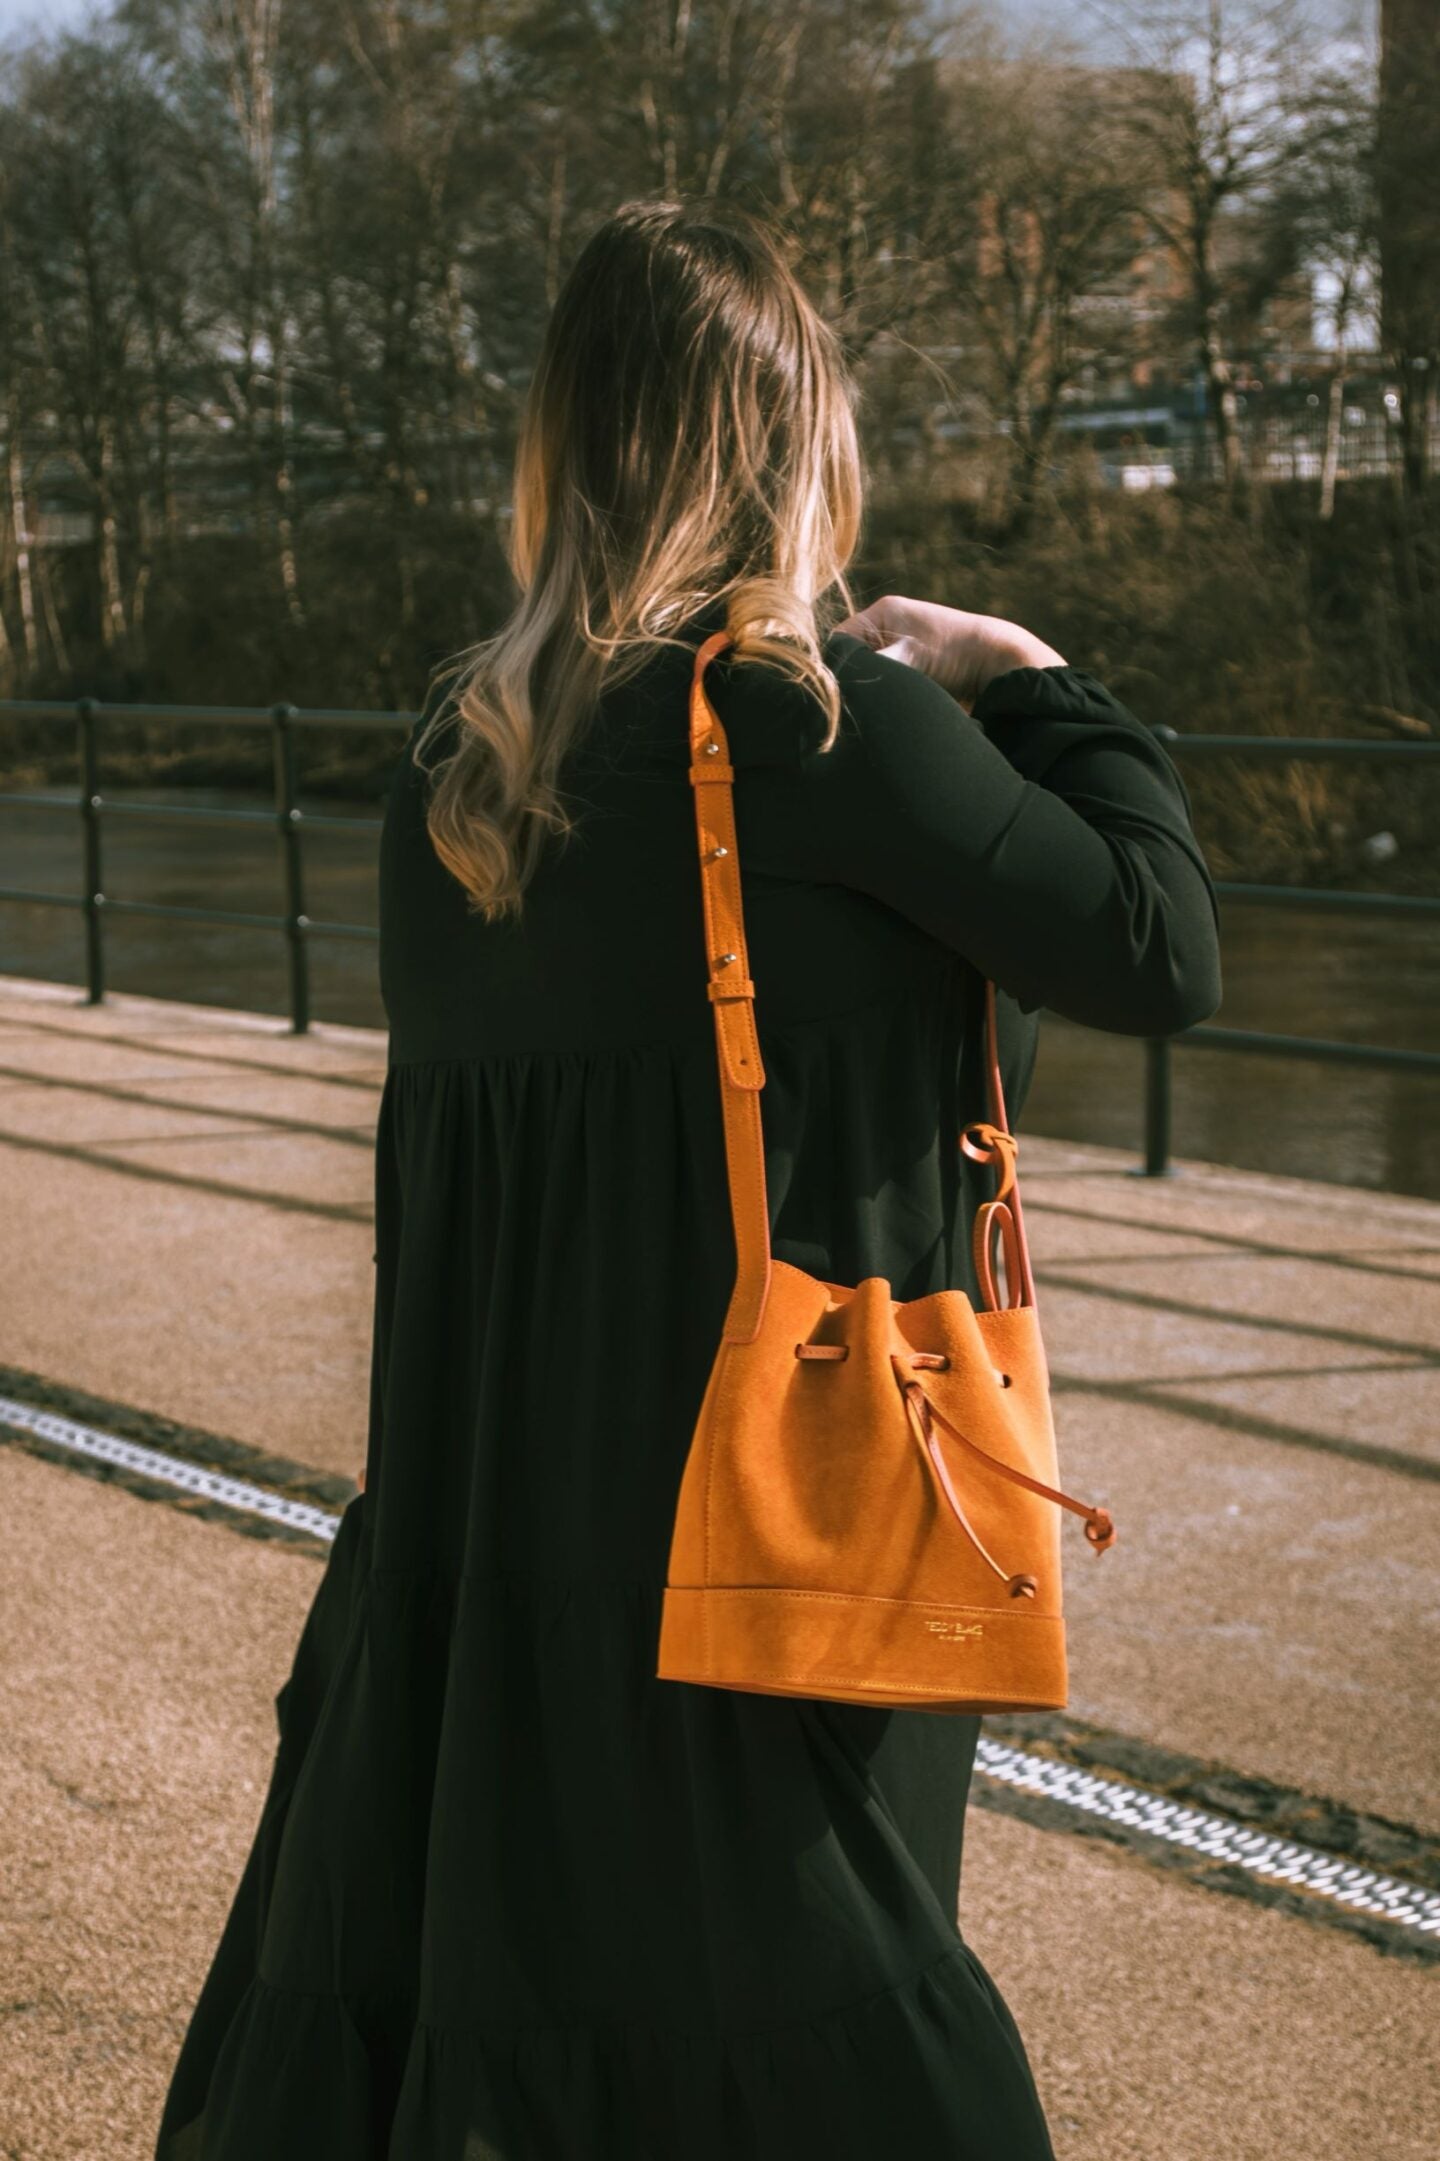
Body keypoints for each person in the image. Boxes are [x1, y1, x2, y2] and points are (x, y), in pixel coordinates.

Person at [154, 196, 1220, 2160]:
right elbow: (1158, 944)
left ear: (565, 444)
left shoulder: (455, 776)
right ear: (795, 439)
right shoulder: (821, 727)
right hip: (775, 1533)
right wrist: (1033, 672)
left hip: (504, 1552)